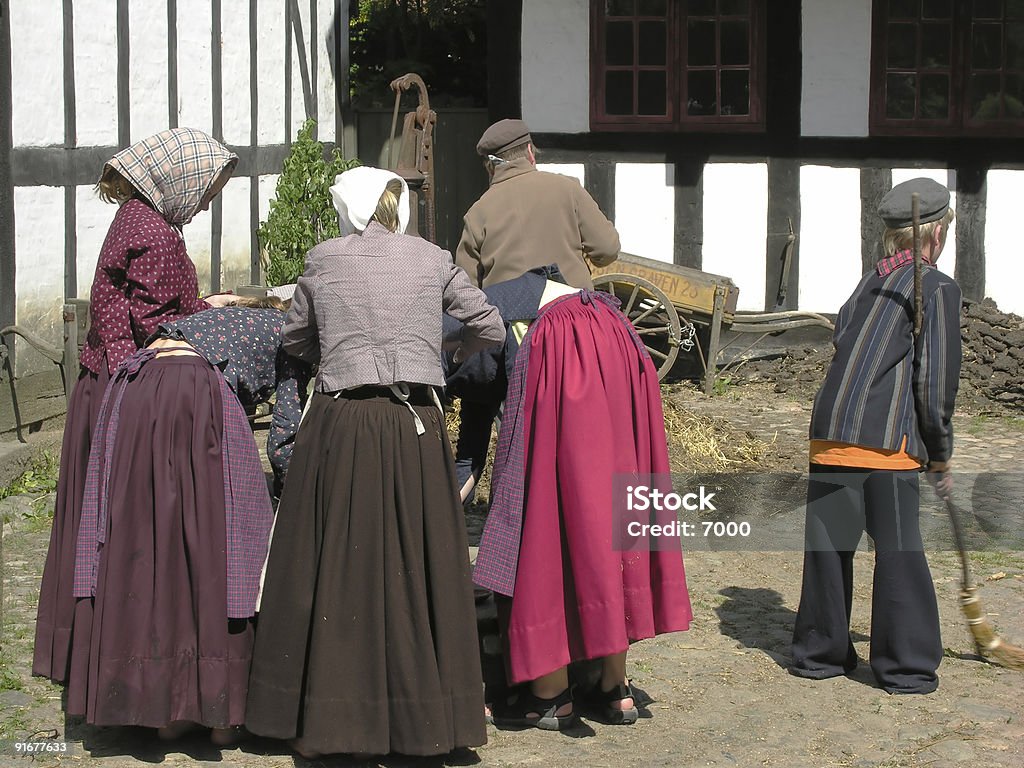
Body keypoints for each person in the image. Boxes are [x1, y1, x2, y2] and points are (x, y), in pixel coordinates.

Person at [245, 166, 505, 759]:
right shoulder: (433, 258)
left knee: (334, 562)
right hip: (414, 424)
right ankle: (425, 723)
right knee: (420, 564)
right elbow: (489, 325)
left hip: (341, 422)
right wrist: (443, 349)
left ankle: (330, 719)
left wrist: (334, 347)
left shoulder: (325, 259)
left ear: (350, 210)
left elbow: (292, 338)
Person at [33, 128, 238, 712]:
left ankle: (108, 665)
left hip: (114, 389)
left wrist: (210, 307)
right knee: (135, 538)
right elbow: (157, 325)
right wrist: (225, 323)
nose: (204, 205)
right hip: (129, 397)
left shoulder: (141, 219)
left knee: (116, 537)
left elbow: (163, 308)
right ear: (180, 181)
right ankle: (139, 677)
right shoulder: (149, 229)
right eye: (207, 193)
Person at [69, 296, 307, 743]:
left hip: (135, 384)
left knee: (154, 538)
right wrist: (289, 503)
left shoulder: (227, 319)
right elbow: (283, 441)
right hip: (192, 387)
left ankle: (162, 707)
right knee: (228, 540)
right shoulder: (294, 339)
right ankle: (221, 710)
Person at [472, 285, 693, 730]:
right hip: (614, 334)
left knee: (549, 517)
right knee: (614, 512)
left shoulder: (491, 245)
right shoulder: (610, 308)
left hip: (558, 339)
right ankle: (615, 688)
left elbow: (476, 371)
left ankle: (550, 695)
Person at [790, 177, 962, 694]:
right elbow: (934, 382)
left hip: (829, 433)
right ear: (935, 235)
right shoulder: (936, 286)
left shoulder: (867, 284)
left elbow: (843, 342)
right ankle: (905, 668)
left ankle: (818, 654)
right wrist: (940, 454)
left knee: (829, 547)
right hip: (884, 442)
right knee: (900, 551)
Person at [453, 118, 621, 501]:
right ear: (530, 152)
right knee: (576, 431)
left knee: (476, 421)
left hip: (506, 333)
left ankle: (453, 508)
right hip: (570, 329)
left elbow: (465, 290)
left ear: (491, 165)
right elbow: (608, 248)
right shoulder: (567, 190)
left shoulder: (478, 211)